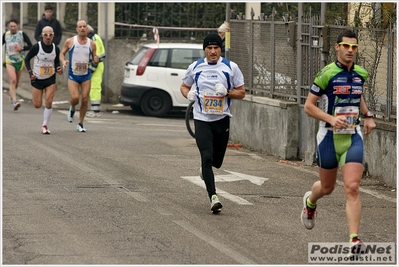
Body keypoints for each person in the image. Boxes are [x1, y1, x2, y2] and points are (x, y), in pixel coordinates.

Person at [301, 29, 376, 246]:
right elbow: (308, 106)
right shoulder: (326, 73)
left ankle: (354, 238)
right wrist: (331, 119)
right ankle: (310, 201)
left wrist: (368, 115)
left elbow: (357, 94)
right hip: (328, 138)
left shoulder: (361, 73)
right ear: (337, 47)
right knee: (327, 188)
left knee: (352, 187)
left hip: (352, 136)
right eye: (346, 46)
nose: (350, 51)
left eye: (354, 47)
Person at [180, 33, 245, 213]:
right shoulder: (195, 67)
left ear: (220, 49)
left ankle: (205, 169)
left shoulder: (231, 67)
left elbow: (242, 92)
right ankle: (213, 197)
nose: (213, 51)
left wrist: (227, 93)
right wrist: (188, 94)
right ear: (205, 50)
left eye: (216, 48)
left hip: (222, 119)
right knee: (207, 157)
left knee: (216, 162)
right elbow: (184, 86)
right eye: (209, 48)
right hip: (201, 119)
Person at [59, 19, 98, 132]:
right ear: (77, 29)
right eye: (80, 26)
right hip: (73, 75)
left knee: (85, 100)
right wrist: (63, 61)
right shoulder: (70, 41)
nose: (82, 28)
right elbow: (62, 53)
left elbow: (95, 58)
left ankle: (80, 123)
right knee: (75, 98)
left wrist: (95, 60)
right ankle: (72, 109)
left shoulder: (92, 43)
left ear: (87, 29)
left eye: (84, 26)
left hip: (86, 75)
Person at [24, 26, 63, 134]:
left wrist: (58, 68)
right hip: (37, 79)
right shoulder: (37, 47)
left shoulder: (56, 48)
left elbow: (56, 62)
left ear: (53, 36)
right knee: (37, 105)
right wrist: (30, 73)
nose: (48, 37)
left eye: (50, 35)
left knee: (49, 101)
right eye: (46, 35)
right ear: (42, 35)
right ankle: (44, 124)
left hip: (50, 78)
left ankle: (45, 125)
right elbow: (27, 59)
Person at [2, 18, 33, 110]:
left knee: (16, 82)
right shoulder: (6, 35)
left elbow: (31, 46)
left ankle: (12, 96)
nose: (12, 28)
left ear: (17, 26)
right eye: (11, 26)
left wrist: (22, 48)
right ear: (8, 27)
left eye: (14, 26)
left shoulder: (22, 34)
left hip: (19, 61)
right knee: (13, 79)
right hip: (9, 60)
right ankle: (14, 101)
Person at [85, 24, 106, 118]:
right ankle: (94, 109)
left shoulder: (94, 39)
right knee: (93, 88)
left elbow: (97, 57)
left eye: (84, 29)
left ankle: (95, 111)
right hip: (94, 66)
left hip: (96, 66)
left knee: (95, 88)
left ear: (88, 30)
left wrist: (92, 69)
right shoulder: (91, 38)